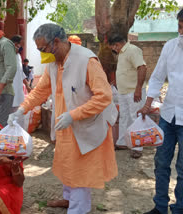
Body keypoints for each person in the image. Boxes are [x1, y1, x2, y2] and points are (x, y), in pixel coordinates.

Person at [8, 23, 118, 214]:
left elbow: (104, 96)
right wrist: (22, 109)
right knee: (67, 164)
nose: (42, 54)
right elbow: (41, 91)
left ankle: (78, 209)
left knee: (79, 172)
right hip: (65, 124)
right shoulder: (53, 62)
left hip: (86, 125)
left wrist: (74, 115)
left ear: (56, 42)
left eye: (43, 49)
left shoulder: (86, 60)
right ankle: (68, 199)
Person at [138, 3, 183, 214]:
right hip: (168, 115)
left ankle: (179, 208)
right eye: (180, 27)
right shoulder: (170, 47)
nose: (182, 32)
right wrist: (148, 103)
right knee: (161, 162)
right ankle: (160, 206)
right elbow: (156, 77)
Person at [108, 34, 147, 159]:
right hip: (123, 92)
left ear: (117, 44)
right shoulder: (122, 53)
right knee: (124, 117)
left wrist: (138, 89)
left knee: (136, 117)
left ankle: (138, 147)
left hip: (133, 92)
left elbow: (142, 68)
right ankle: (123, 142)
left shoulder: (132, 50)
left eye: (113, 47)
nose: (114, 50)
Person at [10, 35, 31, 128]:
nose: (21, 48)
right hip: (10, 92)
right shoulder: (6, 57)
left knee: (20, 117)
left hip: (19, 92)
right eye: (20, 45)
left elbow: (20, 72)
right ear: (15, 44)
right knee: (11, 119)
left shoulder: (18, 56)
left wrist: (27, 85)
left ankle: (20, 135)